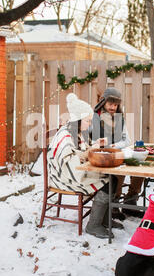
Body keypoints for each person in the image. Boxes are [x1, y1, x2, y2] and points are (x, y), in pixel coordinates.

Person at [47, 93, 122, 239]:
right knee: (108, 181)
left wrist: (93, 146)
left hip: (74, 170)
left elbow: (80, 152)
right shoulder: (65, 135)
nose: (89, 123)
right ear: (78, 119)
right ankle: (93, 225)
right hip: (65, 176)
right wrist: (89, 152)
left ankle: (104, 220)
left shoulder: (77, 132)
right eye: (87, 120)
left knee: (113, 178)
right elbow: (68, 161)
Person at [91, 87, 144, 218]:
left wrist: (115, 145)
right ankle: (114, 203)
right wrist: (105, 144)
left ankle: (131, 200)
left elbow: (127, 140)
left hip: (117, 151)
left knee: (139, 164)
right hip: (101, 156)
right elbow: (91, 141)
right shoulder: (95, 117)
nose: (113, 107)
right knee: (118, 170)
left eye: (116, 104)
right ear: (103, 102)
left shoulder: (119, 118)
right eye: (110, 104)